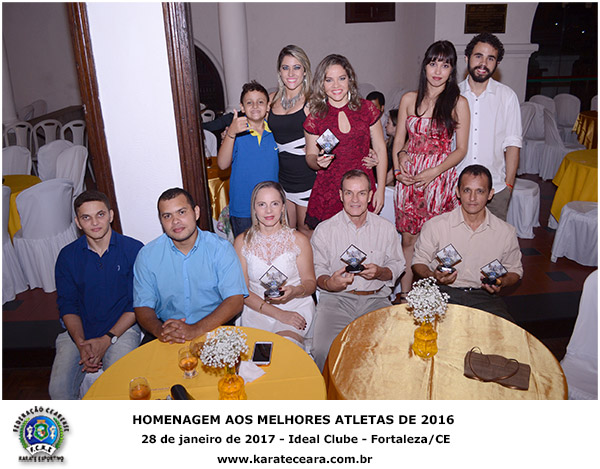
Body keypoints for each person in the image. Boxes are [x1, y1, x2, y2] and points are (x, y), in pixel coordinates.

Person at [394, 40, 470, 299]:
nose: (438, 71)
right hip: (410, 179)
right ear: (425, 66)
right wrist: (399, 165)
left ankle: (432, 296)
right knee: (408, 240)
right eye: (433, 63)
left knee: (437, 242)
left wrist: (434, 171)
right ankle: (405, 295)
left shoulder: (458, 103)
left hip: (439, 180)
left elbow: (461, 149)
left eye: (445, 65)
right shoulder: (408, 99)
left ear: (452, 70)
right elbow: (399, 141)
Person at [49, 190, 143, 399]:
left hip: (121, 329)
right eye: (86, 217)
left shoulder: (133, 249)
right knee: (58, 390)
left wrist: (107, 339)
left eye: (100, 214)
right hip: (78, 332)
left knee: (119, 386)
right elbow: (67, 304)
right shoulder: (67, 256)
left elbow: (137, 303)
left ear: (110, 215)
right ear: (78, 222)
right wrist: (81, 343)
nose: (94, 222)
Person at [310, 170, 405, 370]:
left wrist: (380, 272)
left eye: (361, 193)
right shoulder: (325, 230)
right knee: (322, 350)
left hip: (376, 299)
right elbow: (318, 272)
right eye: (349, 193)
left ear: (370, 196)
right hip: (336, 300)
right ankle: (327, 389)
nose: (355, 200)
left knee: (390, 350)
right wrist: (330, 283)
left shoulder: (386, 228)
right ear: (340, 195)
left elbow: (397, 265)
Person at [133, 188, 248, 343]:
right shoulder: (147, 255)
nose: (175, 221)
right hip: (166, 331)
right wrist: (160, 330)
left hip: (215, 327)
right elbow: (142, 305)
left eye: (181, 212)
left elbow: (235, 300)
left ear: (196, 212)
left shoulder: (220, 249)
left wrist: (195, 329)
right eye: (167, 216)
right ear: (161, 220)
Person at [412, 165, 523, 321]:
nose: (472, 198)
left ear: (490, 194)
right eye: (467, 190)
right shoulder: (436, 225)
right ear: (457, 192)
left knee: (505, 331)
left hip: (484, 297)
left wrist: (501, 282)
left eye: (480, 191)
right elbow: (418, 262)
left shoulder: (506, 232)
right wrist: (433, 276)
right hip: (441, 292)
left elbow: (515, 271)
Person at [304, 54, 387, 229]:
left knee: (365, 239)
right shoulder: (316, 116)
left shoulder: (367, 109)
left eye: (341, 78)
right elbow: (310, 156)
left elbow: (380, 148)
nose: (336, 85)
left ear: (350, 79)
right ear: (321, 84)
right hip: (329, 190)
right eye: (329, 80)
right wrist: (318, 162)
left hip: (361, 189)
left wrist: (380, 189)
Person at [234, 181, 316, 349]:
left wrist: (295, 291)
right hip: (257, 310)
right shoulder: (242, 242)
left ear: (283, 207)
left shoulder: (299, 240)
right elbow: (243, 291)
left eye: (274, 204)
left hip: (295, 307)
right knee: (256, 360)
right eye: (262, 204)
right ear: (254, 209)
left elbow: (310, 283)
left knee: (284, 350)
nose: (269, 211)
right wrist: (279, 314)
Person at [456, 32, 522, 221]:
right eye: (478, 56)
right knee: (453, 239)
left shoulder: (507, 97)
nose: (483, 63)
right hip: (455, 189)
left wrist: (508, 186)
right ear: (467, 58)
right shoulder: (452, 95)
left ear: (497, 63)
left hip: (495, 191)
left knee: (493, 240)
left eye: (490, 58)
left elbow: (513, 144)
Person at [217, 80, 279, 237]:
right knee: (245, 248)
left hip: (271, 207)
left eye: (260, 102)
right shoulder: (236, 134)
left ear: (268, 106)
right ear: (242, 107)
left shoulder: (276, 132)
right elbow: (222, 164)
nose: (255, 106)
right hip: (243, 208)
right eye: (249, 103)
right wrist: (231, 133)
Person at [268, 45, 315, 238]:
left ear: (305, 71)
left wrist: (320, 149)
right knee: (285, 232)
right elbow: (254, 126)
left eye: (297, 67)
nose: (291, 73)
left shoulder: (313, 101)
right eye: (285, 67)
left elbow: (331, 134)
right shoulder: (271, 100)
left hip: (307, 177)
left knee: (306, 231)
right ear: (279, 71)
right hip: (280, 177)